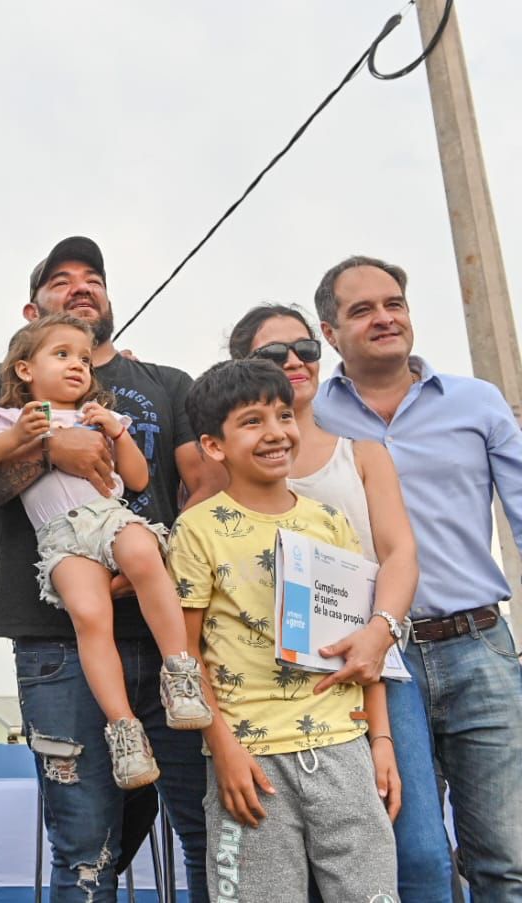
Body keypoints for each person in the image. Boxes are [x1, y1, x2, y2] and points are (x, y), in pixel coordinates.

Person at [0, 236, 225, 901]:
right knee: (84, 852)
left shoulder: (163, 382)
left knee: (209, 835)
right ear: (30, 317)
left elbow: (206, 486)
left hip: (168, 629)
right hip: (57, 641)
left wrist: (156, 557)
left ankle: (179, 674)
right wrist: (48, 448)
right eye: (60, 279)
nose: (80, 286)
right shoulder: (0, 388)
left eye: (92, 276)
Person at [312, 255, 522, 895]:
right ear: (330, 333)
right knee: (415, 859)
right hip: (376, 665)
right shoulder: (311, 419)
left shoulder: (476, 401)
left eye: (393, 304)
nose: (384, 318)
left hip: (479, 648)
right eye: (362, 310)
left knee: (507, 858)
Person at [228, 303, 452, 901]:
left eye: (305, 349)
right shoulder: (222, 468)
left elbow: (400, 552)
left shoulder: (363, 453)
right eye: (273, 354)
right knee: (295, 869)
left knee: (417, 848)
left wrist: (379, 633)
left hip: (369, 669)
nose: (294, 362)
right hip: (270, 692)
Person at [169, 357, 399, 902]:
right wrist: (222, 750)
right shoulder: (196, 530)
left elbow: (364, 648)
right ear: (214, 445)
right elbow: (185, 656)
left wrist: (381, 739)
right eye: (252, 421)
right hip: (251, 760)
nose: (275, 432)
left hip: (344, 749)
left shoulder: (330, 522)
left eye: (283, 415)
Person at [0, 313, 211, 790]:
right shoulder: (11, 418)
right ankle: (125, 730)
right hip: (60, 536)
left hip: (109, 517)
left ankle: (180, 672)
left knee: (145, 556)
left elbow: (136, 479)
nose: (78, 365)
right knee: (90, 616)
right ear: (25, 369)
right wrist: (21, 436)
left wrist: (117, 433)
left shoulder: (98, 417)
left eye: (84, 359)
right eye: (62, 355)